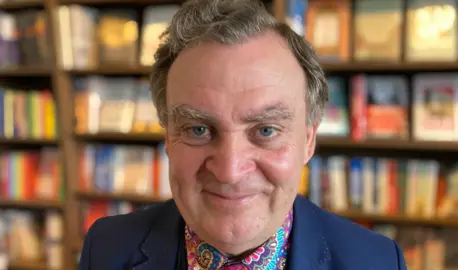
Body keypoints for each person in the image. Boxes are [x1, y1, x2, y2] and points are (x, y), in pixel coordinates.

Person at [78, 0, 407, 269]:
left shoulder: (377, 261)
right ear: (168, 138)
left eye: (266, 130)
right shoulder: (106, 249)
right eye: (198, 129)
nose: (230, 171)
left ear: (308, 140)